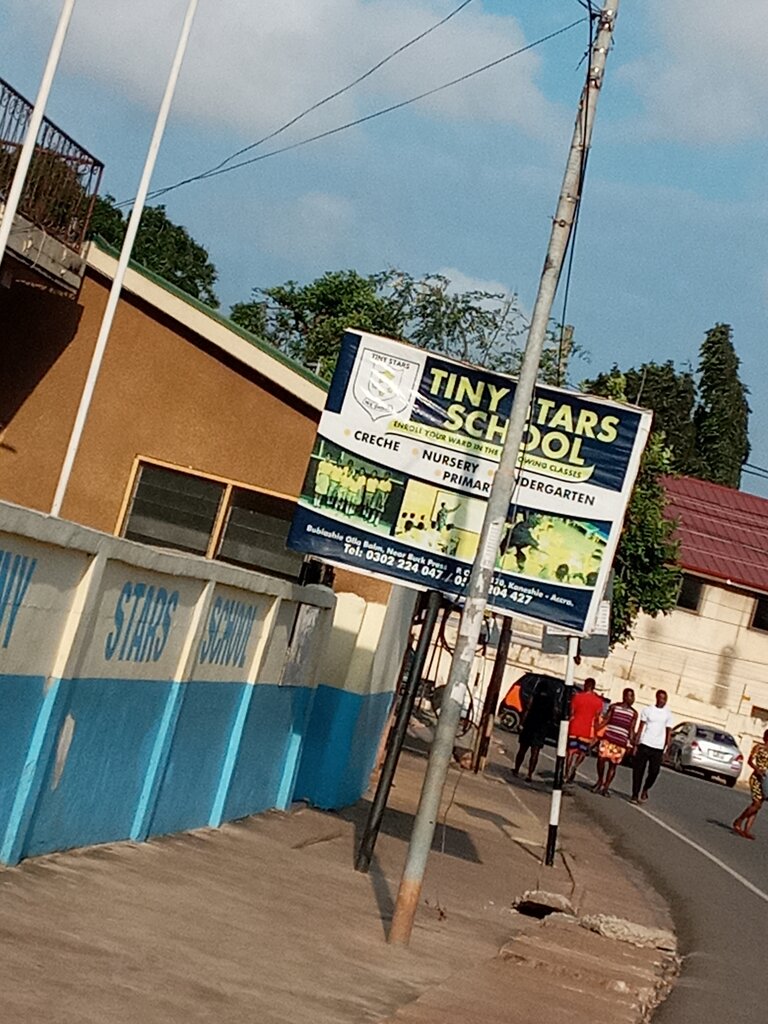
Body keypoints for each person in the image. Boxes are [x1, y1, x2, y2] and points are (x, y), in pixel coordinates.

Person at [630, 690, 674, 804]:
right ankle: (635, 794)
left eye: (665, 699)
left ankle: (645, 788)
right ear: (657, 698)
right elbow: (641, 727)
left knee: (654, 771)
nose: (663, 701)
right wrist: (636, 743)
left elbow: (668, 732)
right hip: (645, 743)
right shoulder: (648, 710)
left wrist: (667, 748)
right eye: (661, 698)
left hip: (658, 747)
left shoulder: (668, 714)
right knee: (638, 770)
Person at [593, 688, 637, 797]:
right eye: (630, 696)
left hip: (620, 742)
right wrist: (597, 728)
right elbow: (607, 720)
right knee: (601, 760)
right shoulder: (614, 707)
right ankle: (600, 780)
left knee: (613, 765)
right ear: (624, 696)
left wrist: (631, 744)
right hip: (608, 738)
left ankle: (606, 787)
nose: (632, 699)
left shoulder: (634, 713)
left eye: (633, 696)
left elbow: (631, 729)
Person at [512, 678, 556, 782]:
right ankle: (530, 774)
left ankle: (516, 769)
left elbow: (527, 709)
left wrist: (521, 723)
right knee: (535, 752)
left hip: (530, 725)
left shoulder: (534, 696)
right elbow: (553, 715)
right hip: (541, 728)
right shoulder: (551, 700)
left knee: (522, 749)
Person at [566, 678, 605, 783]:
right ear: (593, 687)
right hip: (587, 730)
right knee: (582, 751)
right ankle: (575, 766)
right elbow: (597, 717)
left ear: (585, 685)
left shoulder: (577, 697)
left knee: (570, 751)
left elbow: (572, 712)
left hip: (574, 727)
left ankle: (566, 773)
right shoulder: (598, 701)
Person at [732, 729, 768, 840]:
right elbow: (750, 761)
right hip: (756, 778)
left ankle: (747, 829)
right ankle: (739, 821)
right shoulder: (759, 748)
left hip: (766, 779)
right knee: (756, 803)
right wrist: (757, 769)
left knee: (758, 805)